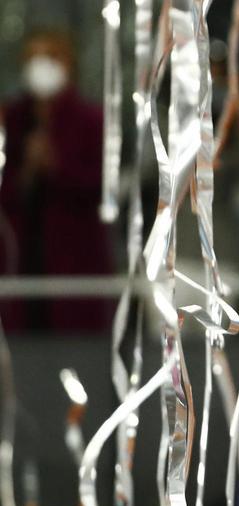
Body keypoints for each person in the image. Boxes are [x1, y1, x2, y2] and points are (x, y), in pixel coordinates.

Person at [0, 28, 113, 333]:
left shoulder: (90, 120)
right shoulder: (13, 118)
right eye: (33, 57)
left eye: (50, 56)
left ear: (69, 63)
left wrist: (55, 166)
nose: (41, 65)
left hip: (73, 258)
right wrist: (26, 172)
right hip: (20, 261)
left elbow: (101, 187)